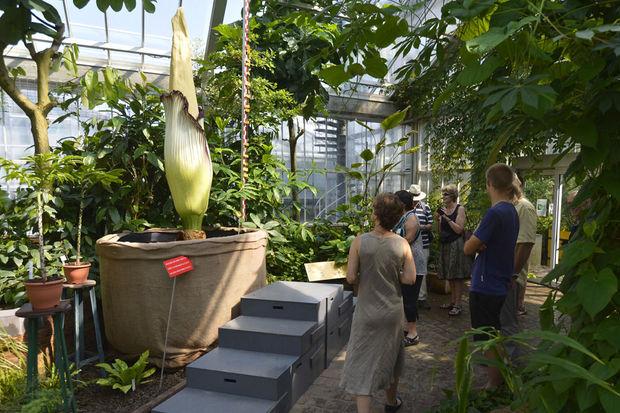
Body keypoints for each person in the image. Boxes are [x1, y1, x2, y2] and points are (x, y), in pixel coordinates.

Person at [341, 193, 416, 413]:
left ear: (375, 215)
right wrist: (393, 274)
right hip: (392, 312)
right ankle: (391, 404)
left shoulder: (359, 241)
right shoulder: (402, 244)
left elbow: (351, 277)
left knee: (362, 364)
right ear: (395, 218)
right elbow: (410, 279)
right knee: (390, 358)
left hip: (366, 311)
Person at [464, 163, 519, 388]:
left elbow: (468, 248)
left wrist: (476, 243)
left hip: (486, 284)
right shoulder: (512, 211)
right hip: (499, 281)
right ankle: (501, 380)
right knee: (495, 335)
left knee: (487, 339)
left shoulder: (495, 213)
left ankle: (494, 385)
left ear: (490, 184)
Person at [394, 190, 427, 346]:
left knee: (410, 298)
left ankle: (413, 334)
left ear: (401, 204)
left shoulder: (411, 219)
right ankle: (408, 328)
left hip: (414, 265)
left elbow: (406, 241)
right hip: (407, 263)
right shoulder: (404, 217)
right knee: (406, 297)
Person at [437, 184, 469, 316]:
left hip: (456, 244)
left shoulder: (459, 209)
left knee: (457, 275)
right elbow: (440, 231)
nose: (443, 197)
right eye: (443, 194)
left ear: (453, 196)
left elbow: (459, 229)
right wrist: (438, 220)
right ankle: (452, 302)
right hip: (445, 244)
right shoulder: (443, 209)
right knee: (449, 274)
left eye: (446, 194)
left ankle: (458, 304)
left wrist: (446, 218)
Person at [409, 184, 433, 310]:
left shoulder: (425, 208)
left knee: (422, 271)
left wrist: (420, 228)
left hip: (423, 244)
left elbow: (430, 224)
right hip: (409, 244)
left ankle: (422, 298)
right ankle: (411, 296)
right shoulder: (407, 208)